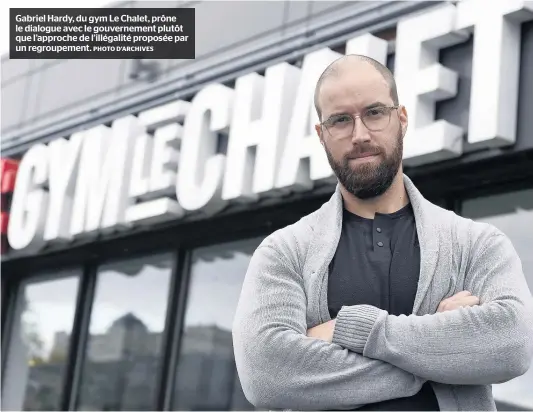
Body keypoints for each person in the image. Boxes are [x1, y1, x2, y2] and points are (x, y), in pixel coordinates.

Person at [232, 54, 533, 411]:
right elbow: (268, 375)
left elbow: (511, 344)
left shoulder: (476, 244)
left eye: (374, 113)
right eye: (341, 120)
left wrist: (354, 328)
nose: (360, 135)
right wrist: (439, 355)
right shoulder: (285, 252)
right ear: (322, 134)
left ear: (401, 119)